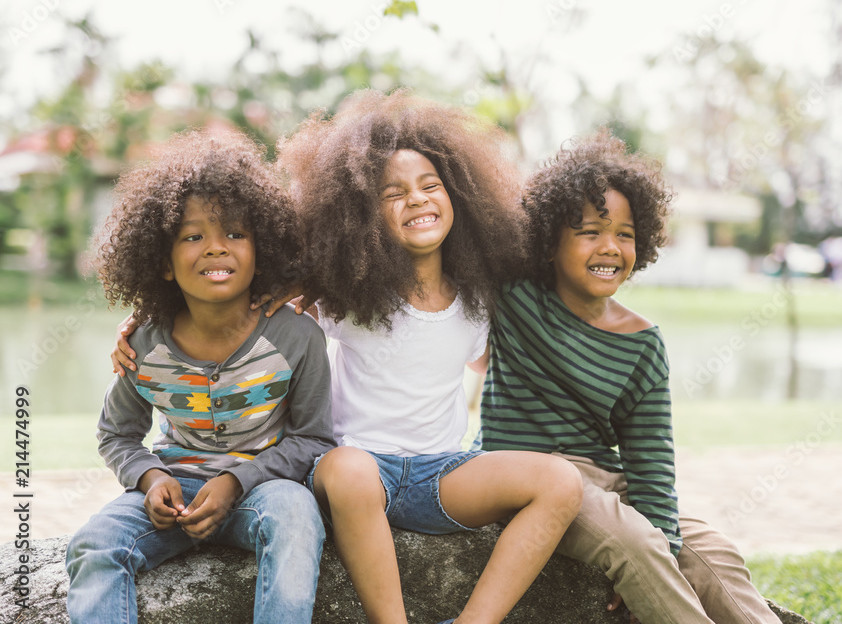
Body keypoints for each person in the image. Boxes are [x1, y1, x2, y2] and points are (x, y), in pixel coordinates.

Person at [115, 92, 583, 623]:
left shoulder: (478, 303)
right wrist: (141, 322)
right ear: (360, 212)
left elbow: (488, 363)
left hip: (441, 474)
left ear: (463, 199)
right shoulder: (342, 294)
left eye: (431, 186)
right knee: (351, 468)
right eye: (394, 193)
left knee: (561, 482)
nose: (418, 199)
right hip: (351, 471)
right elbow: (233, 304)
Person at [480, 130, 782, 624]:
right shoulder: (515, 296)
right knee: (638, 542)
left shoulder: (642, 342)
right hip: (528, 481)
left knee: (711, 552)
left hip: (607, 482)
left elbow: (651, 461)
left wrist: (664, 541)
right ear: (550, 242)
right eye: (590, 231)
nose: (610, 247)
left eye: (625, 234)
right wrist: (646, 552)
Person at [71, 129, 336, 624]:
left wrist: (239, 480)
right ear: (163, 263)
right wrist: (150, 479)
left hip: (265, 489)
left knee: (298, 518)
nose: (216, 248)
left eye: (235, 234)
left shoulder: (296, 338)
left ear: (261, 250)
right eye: (193, 237)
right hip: (175, 489)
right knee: (95, 542)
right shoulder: (145, 344)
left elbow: (315, 438)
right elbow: (117, 434)